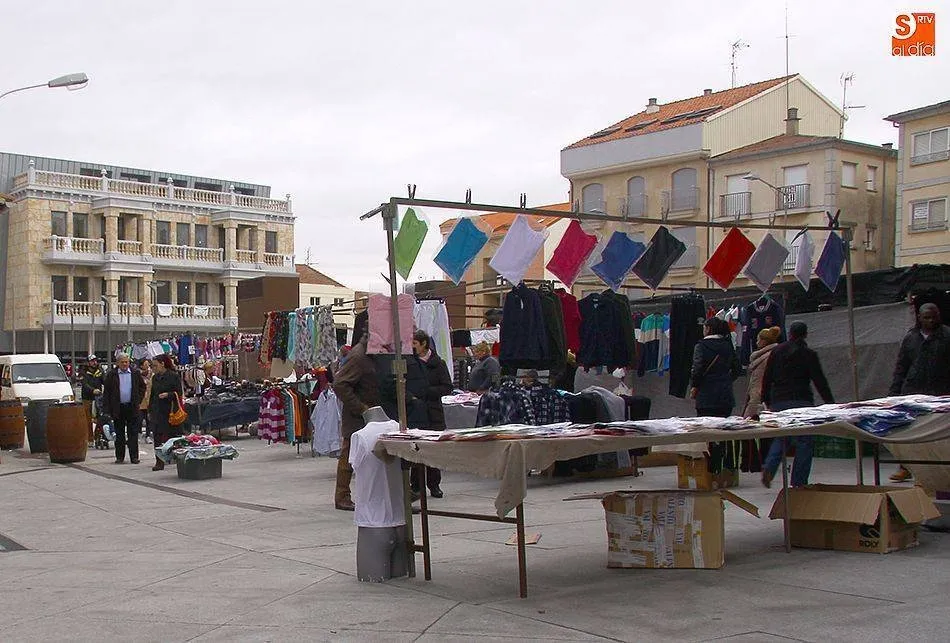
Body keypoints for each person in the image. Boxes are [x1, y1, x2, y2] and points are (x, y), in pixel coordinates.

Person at [760, 321, 834, 488]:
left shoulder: (777, 352)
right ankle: (799, 482)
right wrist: (830, 403)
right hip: (802, 401)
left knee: (782, 437)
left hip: (779, 400)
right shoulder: (809, 354)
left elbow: (767, 377)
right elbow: (820, 381)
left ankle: (770, 467)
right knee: (804, 441)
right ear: (805, 334)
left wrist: (766, 399)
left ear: (790, 333)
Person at [887, 303, 950, 482]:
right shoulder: (910, 338)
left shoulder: (947, 336)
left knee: (937, 434)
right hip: (913, 391)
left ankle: (938, 470)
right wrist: (894, 392)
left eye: (934, 317)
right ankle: (906, 467)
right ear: (919, 318)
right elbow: (901, 367)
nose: (931, 320)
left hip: (940, 392)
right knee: (911, 432)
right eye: (927, 317)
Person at [332, 335, 380, 511]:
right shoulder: (359, 356)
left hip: (374, 415)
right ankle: (342, 495)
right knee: (348, 456)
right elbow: (339, 384)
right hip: (358, 417)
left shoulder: (373, 355)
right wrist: (361, 408)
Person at [410, 330, 454, 499]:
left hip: (434, 413)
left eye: (415, 343)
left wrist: (427, 392)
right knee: (416, 450)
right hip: (417, 413)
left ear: (424, 344)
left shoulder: (438, 364)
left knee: (434, 451)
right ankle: (416, 486)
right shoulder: (411, 363)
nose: (412, 347)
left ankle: (434, 485)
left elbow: (447, 386)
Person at [689, 317, 740, 417]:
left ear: (708, 329)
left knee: (707, 429)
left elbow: (697, 369)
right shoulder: (727, 345)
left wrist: (694, 386)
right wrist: (726, 379)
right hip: (725, 396)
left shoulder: (701, 346)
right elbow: (737, 368)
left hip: (706, 395)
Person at [101, 353, 146, 464]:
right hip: (118, 407)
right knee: (119, 433)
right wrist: (107, 409)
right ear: (117, 363)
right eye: (122, 362)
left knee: (133, 433)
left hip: (132, 407)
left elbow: (142, 387)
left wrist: (138, 400)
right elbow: (107, 393)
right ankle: (120, 457)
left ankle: (134, 456)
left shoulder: (135, 373)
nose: (125, 364)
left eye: (126, 362)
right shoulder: (112, 375)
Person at [148, 354, 184, 471]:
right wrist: (150, 409)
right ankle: (159, 461)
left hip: (170, 411)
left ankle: (175, 458)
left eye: (155, 365)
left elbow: (179, 393)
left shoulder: (173, 376)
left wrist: (168, 395)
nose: (153, 368)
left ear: (162, 364)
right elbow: (152, 395)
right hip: (157, 410)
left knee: (172, 436)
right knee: (157, 436)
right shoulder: (155, 378)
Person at [742, 326, 782, 418]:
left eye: (758, 340)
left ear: (764, 341)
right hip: (764, 397)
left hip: (759, 399)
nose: (757, 342)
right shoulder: (773, 354)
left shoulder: (766, 358)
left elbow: (759, 383)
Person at [80, 355, 104, 442]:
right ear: (88, 362)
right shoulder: (83, 372)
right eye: (92, 361)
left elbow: (104, 381)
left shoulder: (100, 371)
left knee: (99, 418)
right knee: (88, 419)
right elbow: (84, 384)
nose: (94, 363)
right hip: (87, 398)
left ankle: (98, 437)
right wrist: (92, 390)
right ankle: (89, 438)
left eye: (95, 361)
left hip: (98, 398)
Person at [139, 358, 153, 444]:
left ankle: (148, 435)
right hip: (141, 401)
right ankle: (139, 434)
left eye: (148, 364)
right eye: (145, 364)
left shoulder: (152, 374)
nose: (147, 366)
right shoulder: (137, 375)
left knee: (149, 420)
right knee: (139, 419)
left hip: (150, 400)